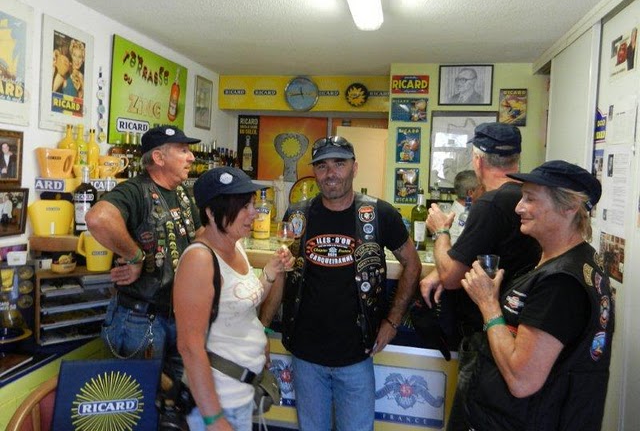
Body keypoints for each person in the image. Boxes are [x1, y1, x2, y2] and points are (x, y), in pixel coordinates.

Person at [260, 135, 421, 431]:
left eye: (339, 164)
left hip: (357, 354)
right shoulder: (297, 214)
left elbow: (413, 263)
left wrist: (393, 321)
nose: (330, 173)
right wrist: (263, 330)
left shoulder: (379, 214)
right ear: (314, 171)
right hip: (305, 354)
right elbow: (283, 271)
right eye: (322, 166)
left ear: (354, 168)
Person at [461, 160, 614, 430]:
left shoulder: (561, 283)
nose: (518, 207)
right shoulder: (575, 260)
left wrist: (488, 304)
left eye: (530, 199)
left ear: (569, 207)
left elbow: (521, 380)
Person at [420, 122, 541, 431]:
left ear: (478, 160)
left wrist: (441, 231)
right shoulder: (527, 198)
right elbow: (471, 256)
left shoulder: (491, 203)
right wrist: (439, 271)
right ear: (517, 159)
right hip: (520, 332)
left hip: (488, 335)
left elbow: (451, 276)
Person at [175, 167, 293, 431]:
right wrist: (213, 418)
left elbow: (242, 302)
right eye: (243, 206)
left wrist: (271, 272)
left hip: (241, 395)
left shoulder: (235, 244)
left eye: (252, 204)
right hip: (218, 403)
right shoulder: (199, 260)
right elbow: (190, 347)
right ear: (210, 212)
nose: (254, 213)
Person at [85, 125, 202, 361]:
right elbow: (98, 218)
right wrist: (135, 256)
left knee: (175, 385)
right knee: (138, 385)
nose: (191, 157)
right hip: (139, 320)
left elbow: (199, 234)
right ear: (158, 157)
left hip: (180, 316)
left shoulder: (181, 192)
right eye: (183, 150)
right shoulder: (135, 190)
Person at [448, 169, 480, 244]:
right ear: (470, 193)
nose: (486, 191)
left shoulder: (457, 210)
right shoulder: (464, 216)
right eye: (482, 188)